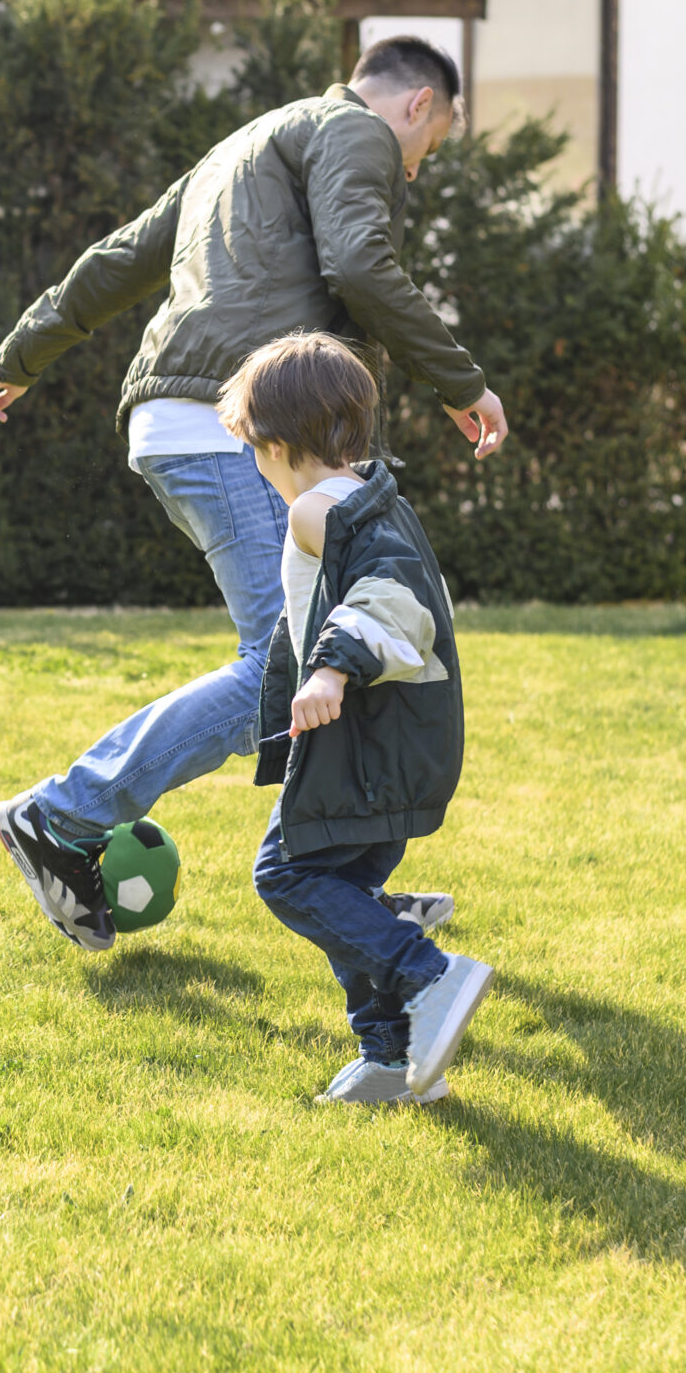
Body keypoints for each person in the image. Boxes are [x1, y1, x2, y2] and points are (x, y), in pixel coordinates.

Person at [0, 35, 508, 952]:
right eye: (431, 150)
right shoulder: (356, 130)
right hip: (244, 431)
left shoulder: (241, 146)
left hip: (184, 420)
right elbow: (360, 264)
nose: (413, 173)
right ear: (419, 106)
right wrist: (462, 382)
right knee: (282, 663)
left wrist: (19, 356)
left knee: (338, 655)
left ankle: (346, 883)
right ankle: (63, 813)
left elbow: (116, 260)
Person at [222, 332, 492, 1106]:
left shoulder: (319, 508)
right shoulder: (374, 494)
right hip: (392, 750)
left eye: (253, 453)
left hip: (367, 752)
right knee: (336, 891)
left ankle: (429, 974)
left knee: (286, 873)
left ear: (275, 445)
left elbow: (395, 599)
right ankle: (390, 1057)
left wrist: (334, 665)